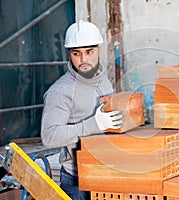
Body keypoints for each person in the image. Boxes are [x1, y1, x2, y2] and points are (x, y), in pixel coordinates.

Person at [41, 20, 124, 200]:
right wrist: (93, 124)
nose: (83, 60)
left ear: (99, 50)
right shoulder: (60, 91)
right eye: (76, 53)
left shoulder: (103, 80)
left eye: (89, 52)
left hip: (105, 171)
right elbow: (49, 136)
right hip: (77, 181)